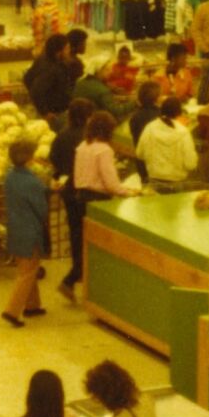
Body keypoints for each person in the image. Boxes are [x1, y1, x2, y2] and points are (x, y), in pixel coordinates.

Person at [71, 111, 136, 294]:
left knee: (81, 242)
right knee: (99, 246)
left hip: (80, 197)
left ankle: (74, 280)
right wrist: (126, 192)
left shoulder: (83, 146)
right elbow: (110, 181)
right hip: (98, 200)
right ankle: (94, 287)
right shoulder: (104, 150)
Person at [0, 140, 51, 328]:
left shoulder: (10, 177)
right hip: (31, 231)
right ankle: (12, 311)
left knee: (27, 267)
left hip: (15, 228)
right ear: (30, 158)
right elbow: (41, 209)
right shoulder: (32, 181)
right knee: (28, 272)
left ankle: (32, 305)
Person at [49, 99, 95, 299]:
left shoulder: (62, 136)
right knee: (88, 235)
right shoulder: (88, 139)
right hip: (86, 191)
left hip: (68, 191)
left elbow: (54, 159)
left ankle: (77, 274)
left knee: (75, 232)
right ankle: (74, 276)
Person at [137, 98, 201, 192]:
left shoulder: (149, 128)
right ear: (179, 113)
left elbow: (139, 154)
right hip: (177, 183)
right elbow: (190, 164)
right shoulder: (183, 132)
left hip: (154, 182)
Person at [24, 34, 77, 123]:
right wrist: (45, 112)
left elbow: (27, 78)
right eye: (67, 48)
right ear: (58, 52)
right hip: (54, 113)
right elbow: (36, 90)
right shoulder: (51, 69)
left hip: (51, 110)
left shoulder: (43, 59)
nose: (69, 51)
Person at [126, 82, 161, 162]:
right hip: (158, 160)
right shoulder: (161, 115)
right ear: (157, 98)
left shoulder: (134, 117)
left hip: (141, 159)